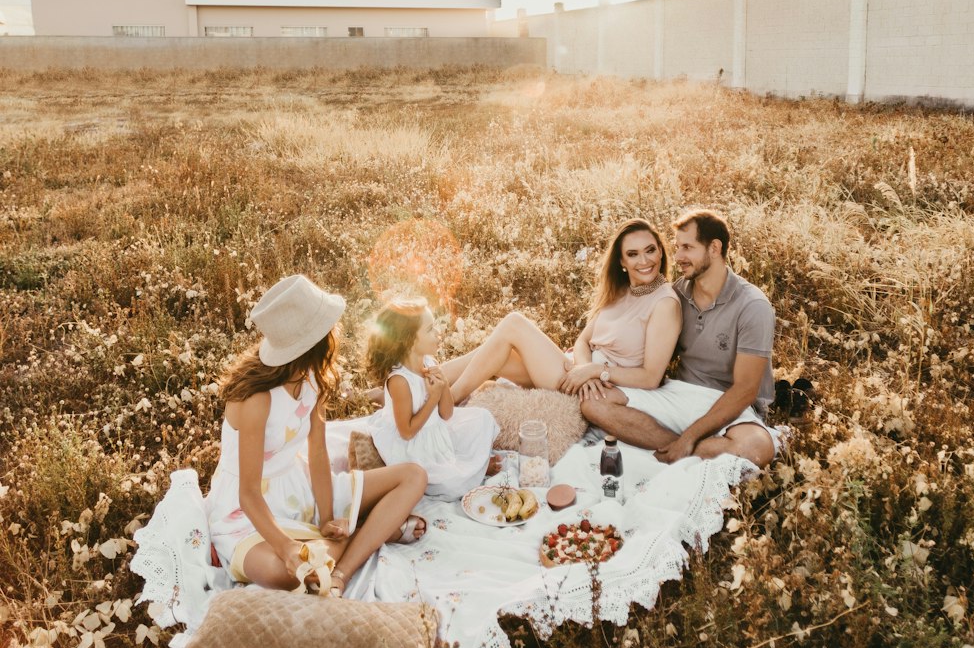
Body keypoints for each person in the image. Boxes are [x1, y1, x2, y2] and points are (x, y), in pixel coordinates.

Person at [205, 274, 428, 597]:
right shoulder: (256, 400)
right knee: (283, 574)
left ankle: (342, 569)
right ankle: (369, 532)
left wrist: (327, 518)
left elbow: (319, 453)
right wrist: (285, 548)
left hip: (300, 488)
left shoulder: (312, 377)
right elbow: (248, 493)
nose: (336, 334)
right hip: (248, 511)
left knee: (413, 476)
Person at [580, 209, 780, 468]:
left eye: (687, 247)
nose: (677, 257)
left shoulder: (752, 305)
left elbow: (744, 390)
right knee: (594, 405)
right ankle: (687, 450)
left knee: (757, 446)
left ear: (714, 248)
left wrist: (689, 436)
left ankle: (674, 447)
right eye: (676, 248)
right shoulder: (677, 294)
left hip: (726, 400)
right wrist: (596, 365)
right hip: (676, 393)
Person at [441, 218, 682, 405]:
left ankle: (446, 402)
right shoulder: (621, 291)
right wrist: (582, 369)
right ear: (621, 262)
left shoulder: (664, 303)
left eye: (650, 250)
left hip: (602, 387)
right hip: (578, 372)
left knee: (514, 324)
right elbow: (583, 341)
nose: (644, 261)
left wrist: (595, 372)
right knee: (496, 353)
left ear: (661, 251)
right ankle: (428, 381)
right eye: (633, 254)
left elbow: (651, 377)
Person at [366, 298, 498, 498]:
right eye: (429, 329)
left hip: (436, 432)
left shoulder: (429, 361)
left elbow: (446, 414)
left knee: (483, 418)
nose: (438, 333)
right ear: (408, 340)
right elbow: (407, 433)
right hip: (413, 449)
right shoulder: (400, 381)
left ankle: (472, 469)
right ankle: (472, 470)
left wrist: (443, 384)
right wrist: (433, 397)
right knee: (451, 485)